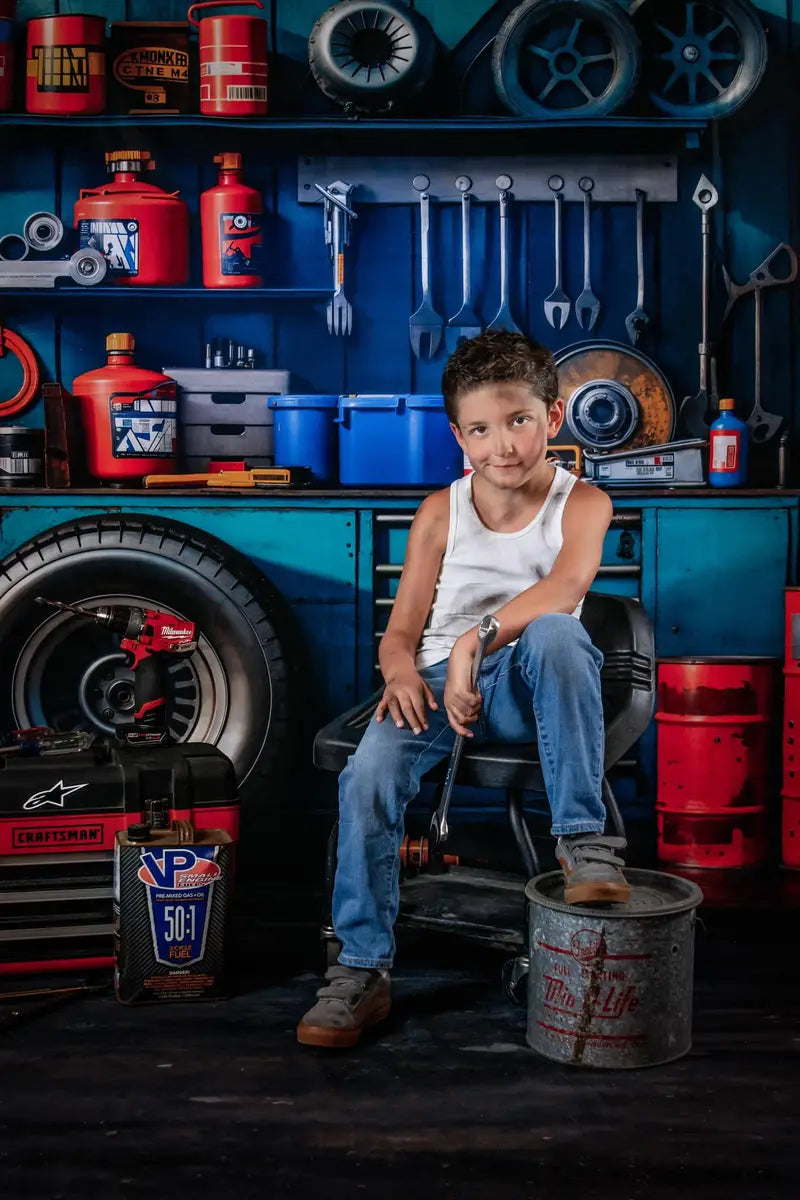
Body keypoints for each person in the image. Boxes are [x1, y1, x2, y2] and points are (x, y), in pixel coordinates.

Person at [298, 330, 629, 1049]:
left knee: (560, 633)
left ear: (555, 415)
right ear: (457, 435)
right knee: (368, 778)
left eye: (518, 421)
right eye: (480, 429)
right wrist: (400, 671)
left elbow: (566, 587)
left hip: (523, 681)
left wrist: (478, 640)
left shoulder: (584, 502)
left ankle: (583, 843)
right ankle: (362, 970)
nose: (502, 446)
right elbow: (400, 632)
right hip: (435, 687)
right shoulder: (440, 511)